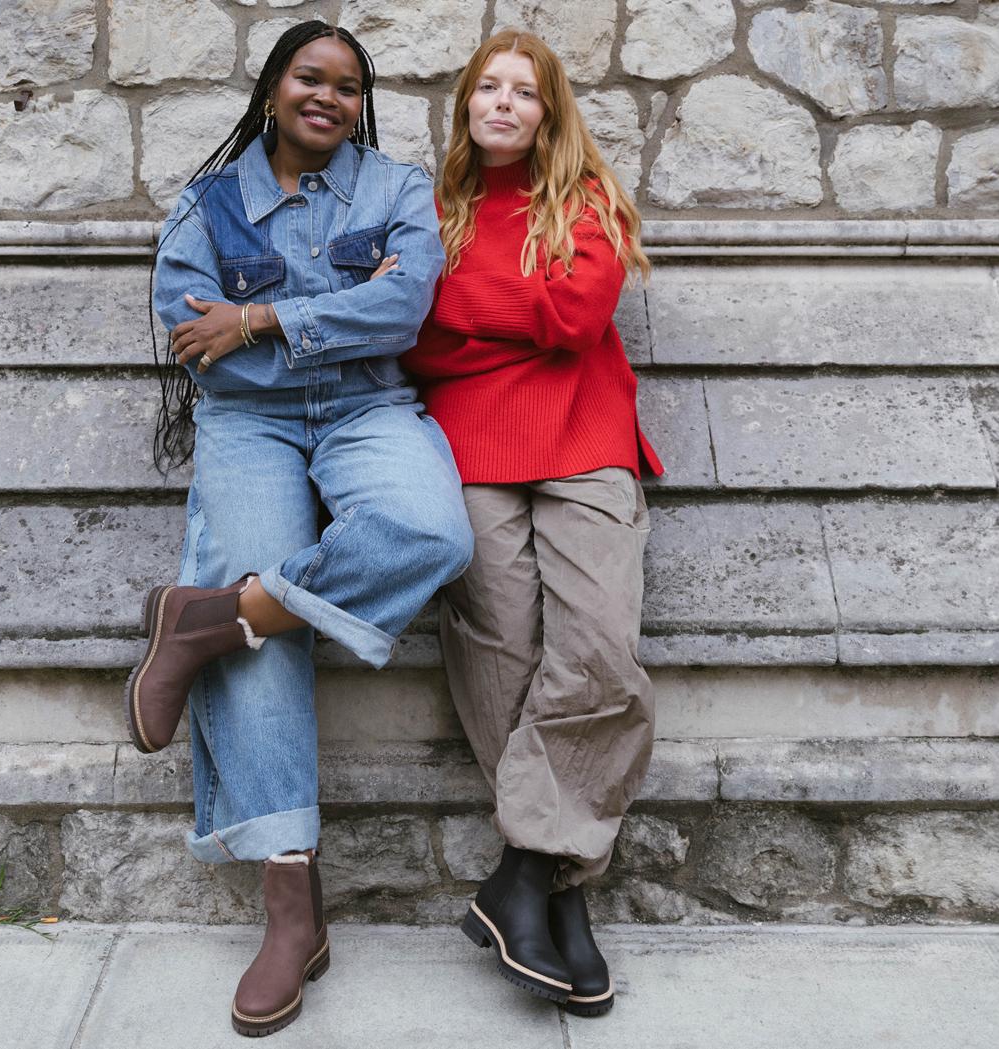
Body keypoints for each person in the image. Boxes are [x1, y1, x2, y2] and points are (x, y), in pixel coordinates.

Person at [131, 20, 472, 1038]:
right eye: (309, 78)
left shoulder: (396, 191)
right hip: (251, 422)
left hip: (373, 409)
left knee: (430, 530)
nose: (329, 96)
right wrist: (314, 323)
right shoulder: (210, 202)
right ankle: (292, 907)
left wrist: (267, 317)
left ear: (362, 103)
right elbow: (191, 333)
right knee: (265, 640)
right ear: (275, 87)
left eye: (348, 86)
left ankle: (210, 619)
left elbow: (406, 306)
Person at [402, 29, 663, 1017]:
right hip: (470, 447)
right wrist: (494, 318)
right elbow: (417, 341)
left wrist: (467, 318)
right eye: (488, 87)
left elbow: (576, 314)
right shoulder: (430, 210)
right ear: (466, 104)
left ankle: (526, 873)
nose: (503, 103)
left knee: (598, 648)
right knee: (498, 649)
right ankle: (555, 893)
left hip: (588, 438)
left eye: (524, 91)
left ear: (548, 112)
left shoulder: (588, 198)